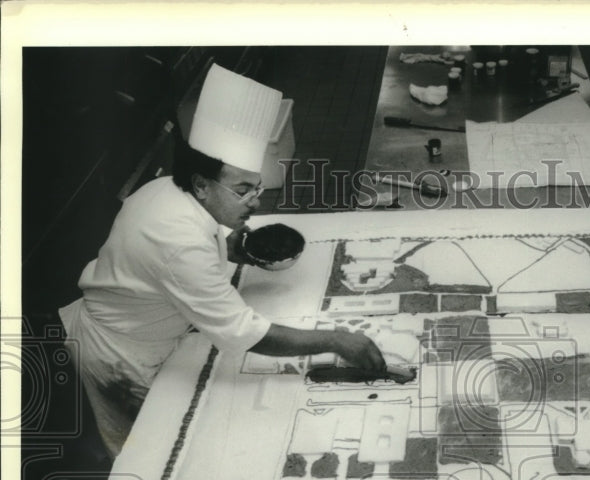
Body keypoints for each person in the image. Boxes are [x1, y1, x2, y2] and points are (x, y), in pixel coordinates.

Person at [59, 65, 384, 457]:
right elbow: (241, 331)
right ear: (201, 184)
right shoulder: (177, 241)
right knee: (150, 457)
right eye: (244, 190)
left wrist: (239, 249)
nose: (256, 200)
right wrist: (335, 340)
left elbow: (201, 244)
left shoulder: (169, 189)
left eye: (257, 186)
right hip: (123, 355)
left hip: (141, 322)